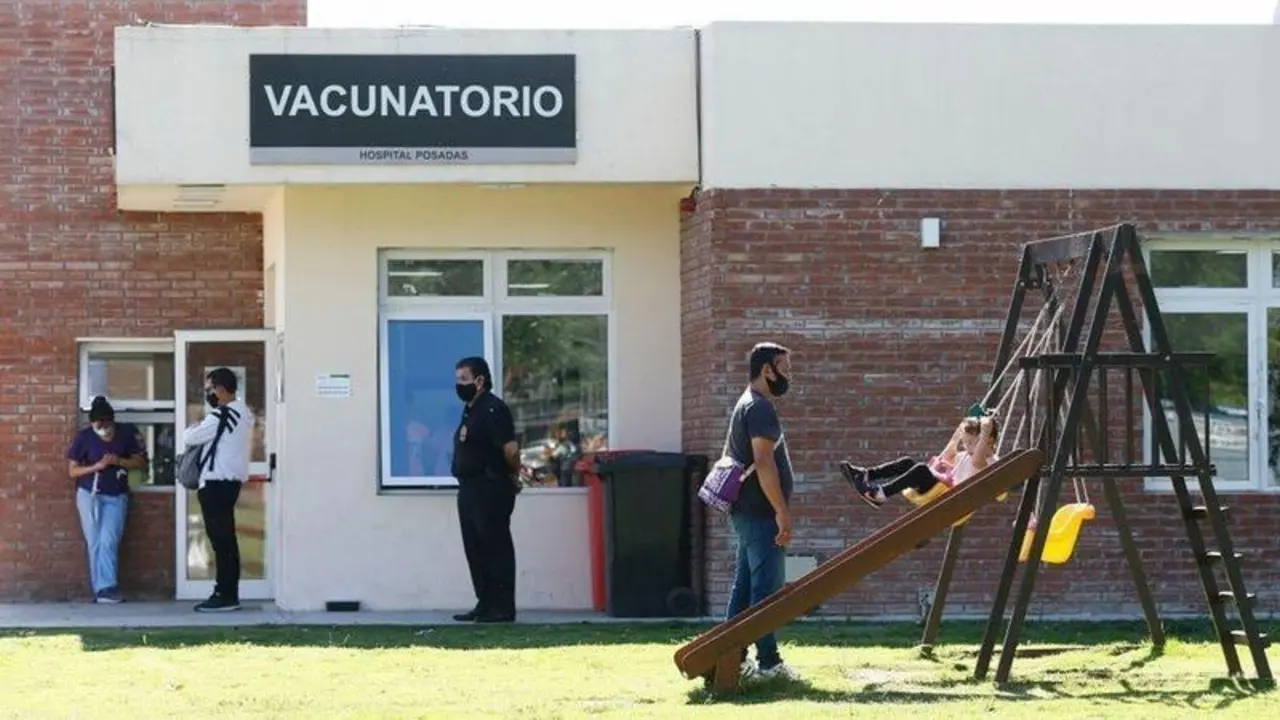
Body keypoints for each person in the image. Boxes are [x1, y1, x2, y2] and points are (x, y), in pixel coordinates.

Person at [724, 342, 801, 682]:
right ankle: (769, 664)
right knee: (765, 591)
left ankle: (732, 659)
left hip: (748, 512)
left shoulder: (750, 404)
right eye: (784, 367)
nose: (789, 374)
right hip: (760, 513)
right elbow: (764, 461)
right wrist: (781, 512)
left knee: (744, 590)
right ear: (767, 369)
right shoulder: (758, 409)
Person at [450, 356, 521, 624]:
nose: (459, 385)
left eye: (464, 380)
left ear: (480, 381)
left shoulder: (492, 409)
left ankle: (502, 607)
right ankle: (485, 602)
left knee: (495, 546)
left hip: (490, 486)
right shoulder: (471, 409)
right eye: (457, 380)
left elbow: (511, 449)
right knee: (476, 548)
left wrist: (513, 475)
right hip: (469, 488)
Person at [182, 367, 255, 612]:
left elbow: (189, 437)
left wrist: (197, 424)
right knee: (228, 541)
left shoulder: (221, 415)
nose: (209, 393)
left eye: (210, 388)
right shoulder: (245, 413)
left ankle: (224, 595)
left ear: (222, 389)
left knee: (221, 542)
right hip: (231, 482)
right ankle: (228, 592)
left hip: (215, 483)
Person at [66, 396, 148, 604]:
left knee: (109, 540)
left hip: (116, 494)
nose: (103, 429)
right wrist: (96, 467)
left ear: (113, 421)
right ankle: (102, 589)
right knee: (95, 542)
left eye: (107, 424)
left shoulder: (126, 434)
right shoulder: (84, 438)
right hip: (89, 494)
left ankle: (107, 586)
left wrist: (118, 461)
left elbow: (140, 461)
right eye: (98, 424)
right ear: (91, 423)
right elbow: (72, 471)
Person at [841, 413, 1001, 509]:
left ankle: (880, 494)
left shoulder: (988, 461)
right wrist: (958, 434)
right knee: (907, 462)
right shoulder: (966, 455)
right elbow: (947, 455)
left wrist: (986, 430)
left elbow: (978, 457)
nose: (968, 447)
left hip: (953, 500)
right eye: (966, 443)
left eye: (972, 442)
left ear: (988, 440)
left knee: (921, 470)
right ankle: (867, 474)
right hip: (942, 491)